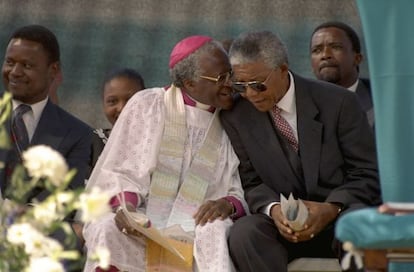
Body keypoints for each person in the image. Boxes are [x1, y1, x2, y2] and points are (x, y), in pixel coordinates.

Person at [219, 30, 381, 272]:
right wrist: (273, 210)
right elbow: (251, 182)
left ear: (283, 70)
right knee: (245, 232)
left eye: (258, 85)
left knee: (360, 224)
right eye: (241, 86)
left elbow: (367, 172)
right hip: (282, 226)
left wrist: (331, 208)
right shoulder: (237, 115)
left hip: (338, 216)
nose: (250, 94)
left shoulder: (338, 102)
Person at [83, 35, 247, 272]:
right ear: (190, 83)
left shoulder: (235, 117)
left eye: (230, 74)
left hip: (199, 223)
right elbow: (121, 169)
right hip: (144, 217)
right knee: (108, 227)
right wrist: (125, 209)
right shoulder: (148, 105)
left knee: (214, 230)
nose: (230, 83)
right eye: (221, 78)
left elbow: (239, 184)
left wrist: (228, 203)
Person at [0, 24, 92, 202]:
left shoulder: (77, 134)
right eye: (10, 62)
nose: (15, 72)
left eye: (26, 65)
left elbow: (62, 202)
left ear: (53, 70)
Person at [310, 21, 374, 127]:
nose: (325, 55)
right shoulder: (301, 103)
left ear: (357, 59)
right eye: (317, 50)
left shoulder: (380, 101)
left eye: (336, 47)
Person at [89, 68, 145, 174]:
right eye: (112, 101)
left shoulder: (158, 144)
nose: (122, 108)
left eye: (131, 100)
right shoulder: (90, 143)